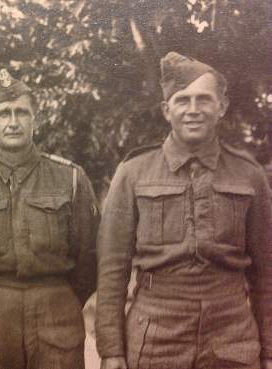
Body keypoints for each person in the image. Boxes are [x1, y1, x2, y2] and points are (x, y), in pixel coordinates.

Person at [95, 52, 272, 369]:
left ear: (221, 107)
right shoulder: (134, 172)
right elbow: (111, 271)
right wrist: (111, 350)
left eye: (204, 100)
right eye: (182, 100)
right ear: (167, 110)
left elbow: (266, 274)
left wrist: (270, 351)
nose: (193, 110)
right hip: (156, 333)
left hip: (232, 332)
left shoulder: (249, 174)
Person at [0, 69, 99, 369]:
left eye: (22, 112)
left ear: (35, 120)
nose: (13, 122)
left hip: (55, 308)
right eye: (4, 114)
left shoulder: (69, 178)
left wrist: (60, 298)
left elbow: (89, 256)